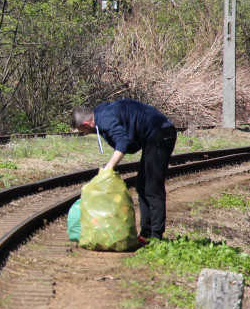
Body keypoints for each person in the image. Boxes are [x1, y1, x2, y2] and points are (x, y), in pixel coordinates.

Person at [71, 99, 177, 243]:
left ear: (86, 124)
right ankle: (146, 233)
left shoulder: (104, 120)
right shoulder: (100, 112)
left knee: (152, 188)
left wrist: (109, 167)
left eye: (82, 131)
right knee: (141, 186)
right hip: (154, 135)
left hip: (160, 133)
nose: (84, 133)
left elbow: (122, 141)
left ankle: (156, 236)